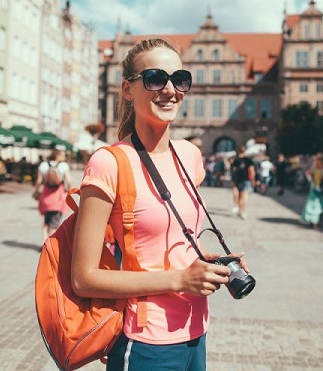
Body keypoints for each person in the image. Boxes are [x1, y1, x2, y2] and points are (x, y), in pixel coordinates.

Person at [70, 38, 249, 371]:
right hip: (145, 341)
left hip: (197, 331)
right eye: (155, 78)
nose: (170, 89)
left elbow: (169, 239)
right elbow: (83, 277)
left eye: (179, 79)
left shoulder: (191, 156)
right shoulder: (109, 163)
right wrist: (179, 280)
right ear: (127, 89)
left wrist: (205, 264)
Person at [34, 149, 71, 241]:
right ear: (57, 155)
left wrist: (36, 191)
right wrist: (68, 189)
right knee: (54, 224)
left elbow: (38, 181)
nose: (64, 157)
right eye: (63, 155)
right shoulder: (63, 166)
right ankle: (50, 245)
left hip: (46, 196)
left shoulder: (43, 165)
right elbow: (69, 181)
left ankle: (44, 240)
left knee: (46, 221)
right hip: (58, 197)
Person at [301, 153, 323, 229]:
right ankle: (313, 220)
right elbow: (308, 173)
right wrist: (311, 180)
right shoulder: (314, 167)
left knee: (320, 204)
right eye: (318, 159)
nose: (319, 161)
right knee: (313, 204)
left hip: (322, 188)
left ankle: (318, 220)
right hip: (314, 188)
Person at [230, 145, 256, 219]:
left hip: (237, 179)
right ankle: (243, 212)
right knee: (244, 196)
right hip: (246, 179)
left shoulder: (236, 160)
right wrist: (253, 180)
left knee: (237, 194)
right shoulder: (249, 160)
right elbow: (252, 171)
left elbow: (233, 171)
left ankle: (237, 207)